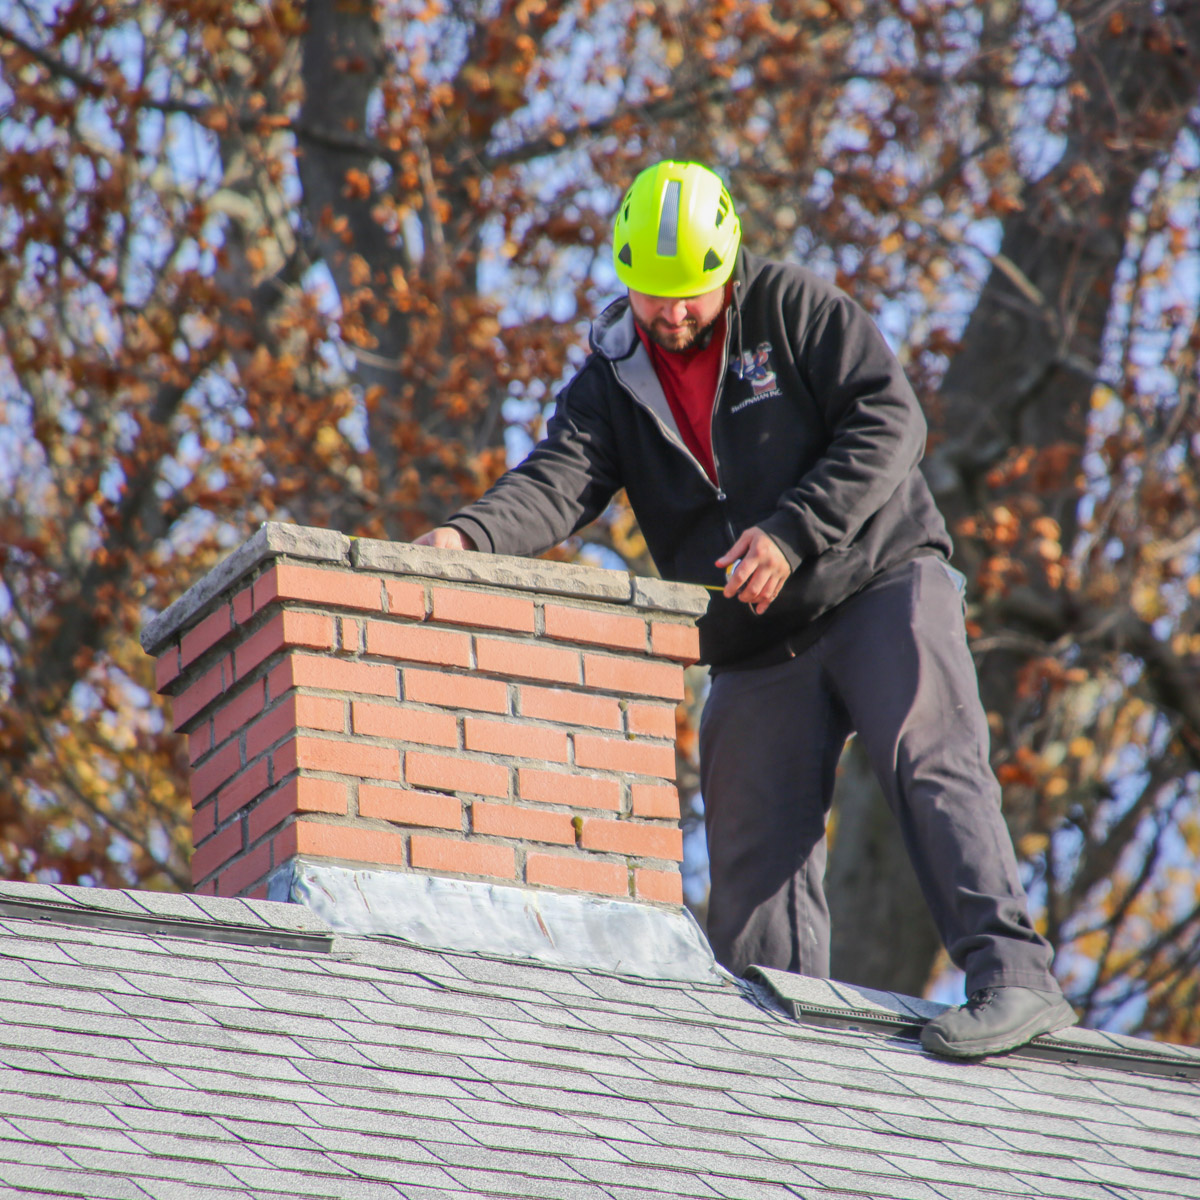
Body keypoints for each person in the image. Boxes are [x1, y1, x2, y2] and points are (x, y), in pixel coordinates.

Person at [416, 160, 1076, 1058]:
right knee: (751, 863)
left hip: (878, 583)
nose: (672, 315)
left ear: (729, 269)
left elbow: (892, 417)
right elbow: (558, 480)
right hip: (756, 645)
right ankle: (773, 1061)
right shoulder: (611, 376)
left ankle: (1014, 976)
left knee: (929, 760)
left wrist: (794, 531)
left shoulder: (796, 310)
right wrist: (464, 540)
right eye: (652, 297)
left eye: (690, 295)